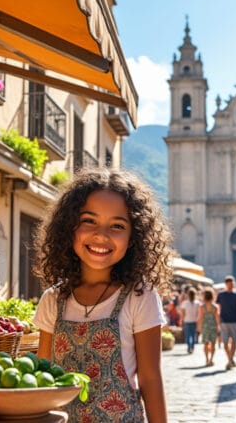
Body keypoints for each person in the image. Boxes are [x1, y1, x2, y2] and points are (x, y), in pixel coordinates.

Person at [32, 168, 172, 422]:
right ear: (69, 227)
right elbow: (44, 375)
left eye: (117, 225)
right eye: (89, 220)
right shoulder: (53, 299)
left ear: (133, 238)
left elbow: (151, 378)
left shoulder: (140, 296)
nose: (101, 235)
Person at [216, 275, 236, 370]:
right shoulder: (221, 295)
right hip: (224, 321)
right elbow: (218, 309)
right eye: (228, 283)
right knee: (225, 342)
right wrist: (218, 320)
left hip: (235, 321)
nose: (230, 285)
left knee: (234, 341)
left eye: (231, 283)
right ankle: (230, 359)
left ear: (233, 284)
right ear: (226, 284)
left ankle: (230, 359)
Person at [197, 288, 220, 367]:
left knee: (206, 344)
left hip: (205, 326)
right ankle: (211, 359)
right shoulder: (215, 306)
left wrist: (199, 327)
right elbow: (217, 318)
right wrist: (218, 327)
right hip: (213, 326)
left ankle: (206, 359)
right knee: (213, 344)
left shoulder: (202, 306)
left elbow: (200, 317)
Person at [179, 288, 201, 354]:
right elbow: (198, 313)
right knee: (193, 335)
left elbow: (183, 313)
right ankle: (192, 347)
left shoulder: (185, 303)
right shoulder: (197, 303)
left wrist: (181, 321)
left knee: (188, 335)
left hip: (187, 321)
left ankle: (189, 347)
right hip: (194, 321)